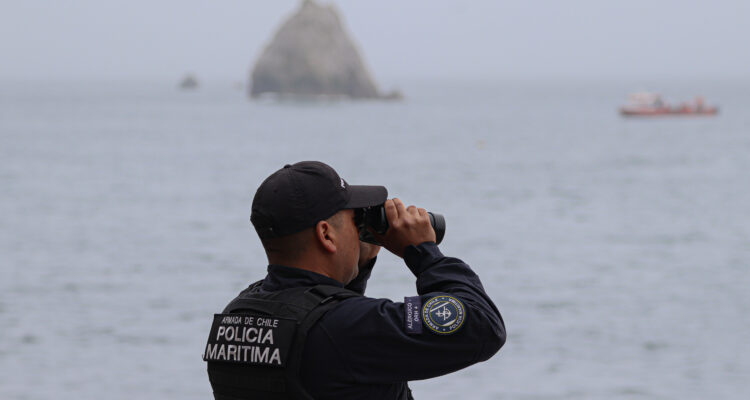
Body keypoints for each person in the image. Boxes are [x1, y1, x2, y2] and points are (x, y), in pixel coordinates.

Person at [204, 161, 505, 400]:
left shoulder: (238, 314)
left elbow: (325, 340)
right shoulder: (348, 330)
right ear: (326, 234)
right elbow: (481, 326)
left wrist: (358, 268)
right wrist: (424, 252)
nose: (359, 228)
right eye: (354, 221)